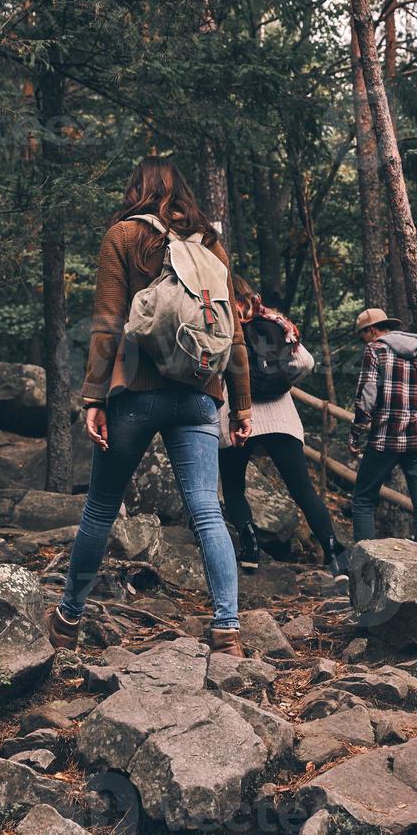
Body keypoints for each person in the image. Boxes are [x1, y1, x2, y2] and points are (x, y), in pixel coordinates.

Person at [45, 156, 253, 657]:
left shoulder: (123, 236)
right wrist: (241, 405)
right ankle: (228, 627)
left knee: (100, 506)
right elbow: (233, 331)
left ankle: (69, 618)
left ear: (136, 188)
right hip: (199, 395)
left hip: (135, 393)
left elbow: (107, 322)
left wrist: (95, 397)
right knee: (207, 509)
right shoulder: (209, 243)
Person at [218, 277, 347, 574]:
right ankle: (333, 552)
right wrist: (280, 381)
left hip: (236, 415)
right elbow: (305, 362)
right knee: (303, 490)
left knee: (234, 487)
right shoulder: (273, 321)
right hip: (280, 416)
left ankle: (249, 550)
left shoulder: (221, 324)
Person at [349, 308, 417, 548]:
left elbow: (367, 396)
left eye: (363, 335)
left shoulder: (375, 349)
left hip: (385, 438)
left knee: (363, 500)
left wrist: (356, 433)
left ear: (372, 330)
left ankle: (366, 564)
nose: (363, 340)